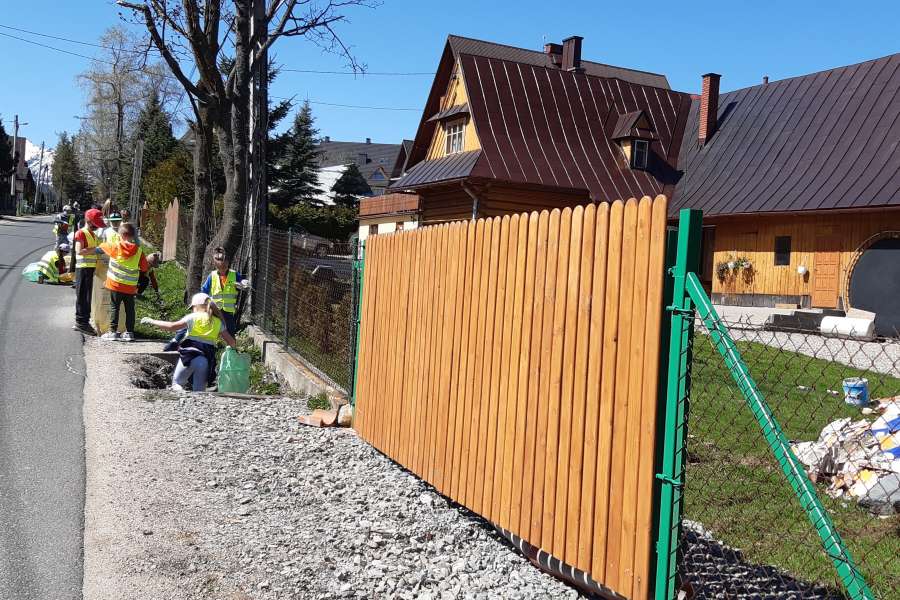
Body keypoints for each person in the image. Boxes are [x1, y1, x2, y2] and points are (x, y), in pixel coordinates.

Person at [141, 293, 237, 392]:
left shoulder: (193, 317)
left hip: (190, 356)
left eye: (192, 307)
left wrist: (152, 321)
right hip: (205, 360)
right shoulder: (218, 322)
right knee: (199, 391)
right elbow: (232, 342)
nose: (192, 310)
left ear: (197, 306)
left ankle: (181, 401)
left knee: (177, 383)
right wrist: (232, 350)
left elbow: (172, 326)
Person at [81, 222, 149, 342]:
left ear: (121, 235)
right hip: (130, 287)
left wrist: (85, 251)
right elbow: (144, 268)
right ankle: (129, 333)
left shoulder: (114, 247)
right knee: (130, 310)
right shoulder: (139, 252)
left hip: (115, 285)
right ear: (133, 236)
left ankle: (113, 332)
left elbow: (100, 248)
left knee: (114, 308)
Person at [201, 247, 249, 336]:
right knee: (213, 329)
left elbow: (242, 284)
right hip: (215, 308)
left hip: (228, 310)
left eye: (224, 268)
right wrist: (204, 303)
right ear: (216, 266)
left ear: (227, 264)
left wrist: (243, 283)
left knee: (230, 330)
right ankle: (212, 345)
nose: (222, 270)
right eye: (220, 269)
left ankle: (231, 348)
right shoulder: (212, 276)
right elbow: (204, 290)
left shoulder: (234, 274)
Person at [72, 208, 106, 334]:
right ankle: (81, 323)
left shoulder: (93, 234)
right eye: (95, 224)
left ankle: (83, 321)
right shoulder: (81, 233)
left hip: (90, 269)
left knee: (87, 296)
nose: (97, 227)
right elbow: (79, 251)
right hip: (83, 269)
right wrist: (97, 249)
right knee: (83, 296)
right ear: (89, 221)